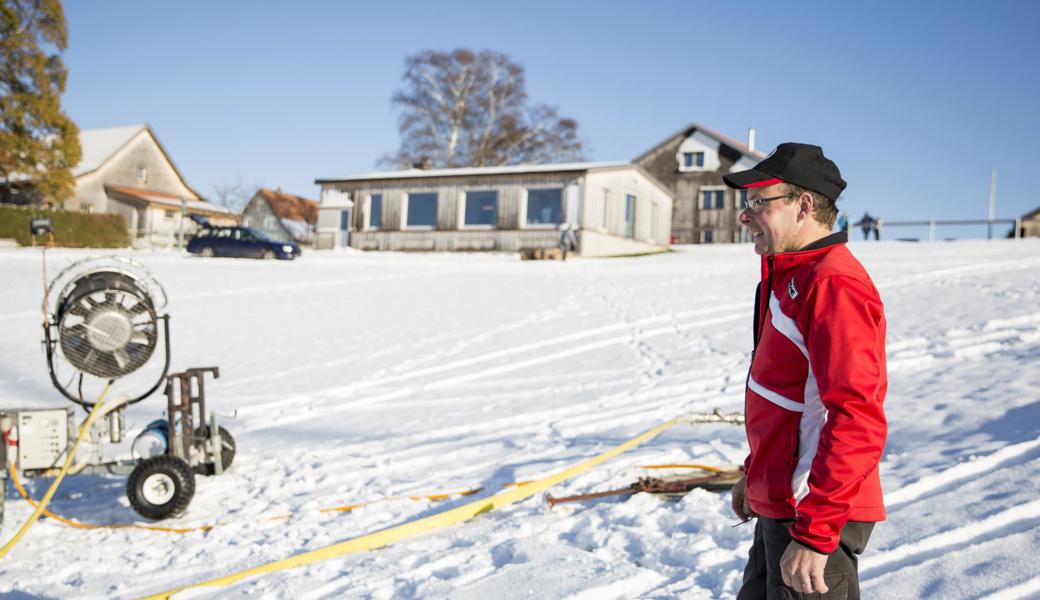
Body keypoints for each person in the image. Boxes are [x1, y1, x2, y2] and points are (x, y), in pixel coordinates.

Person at [723, 143, 888, 600]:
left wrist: (817, 532)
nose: (745, 215)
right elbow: (789, 394)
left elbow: (856, 415)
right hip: (786, 500)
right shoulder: (789, 276)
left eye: (759, 202)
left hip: (814, 513)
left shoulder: (832, 283)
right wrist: (755, 474)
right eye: (747, 203)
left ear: (804, 205)